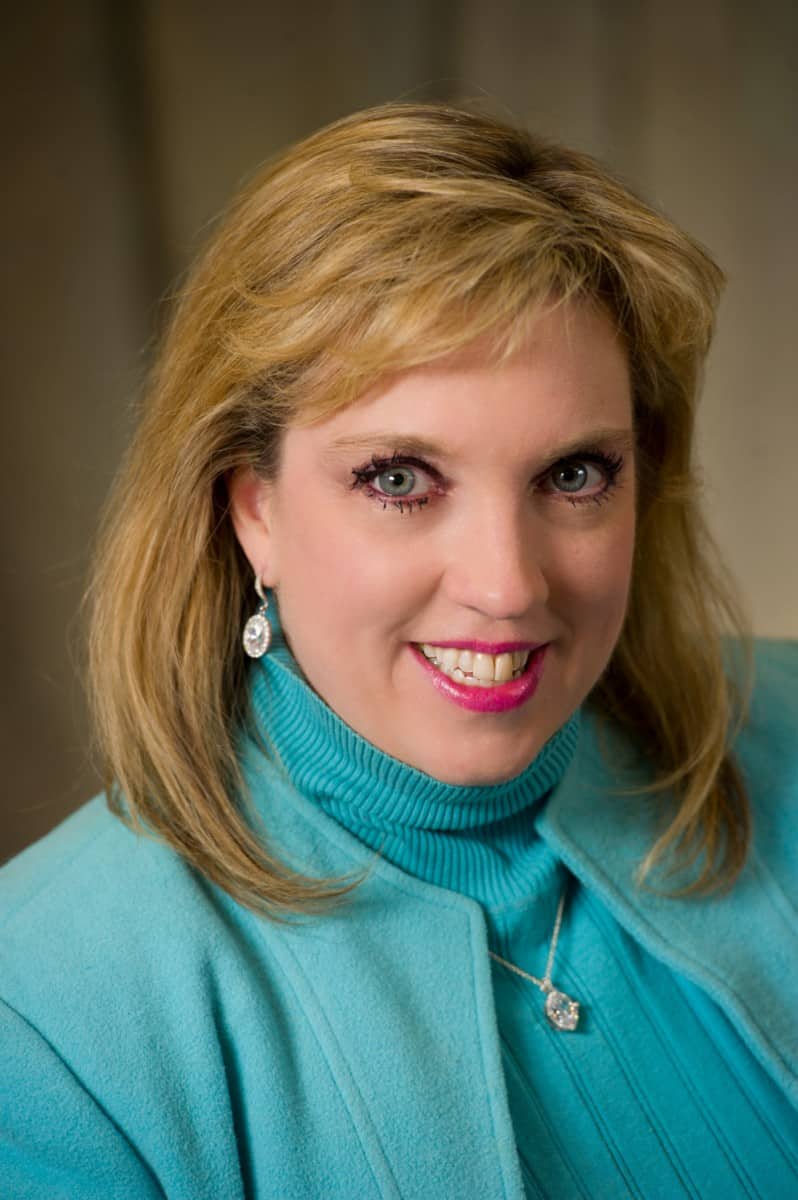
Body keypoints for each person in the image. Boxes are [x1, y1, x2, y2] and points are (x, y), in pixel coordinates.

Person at [1, 102, 796, 1200]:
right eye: (399, 480)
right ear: (254, 509)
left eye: (573, 476)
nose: (508, 586)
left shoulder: (786, 734)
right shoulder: (42, 1015)